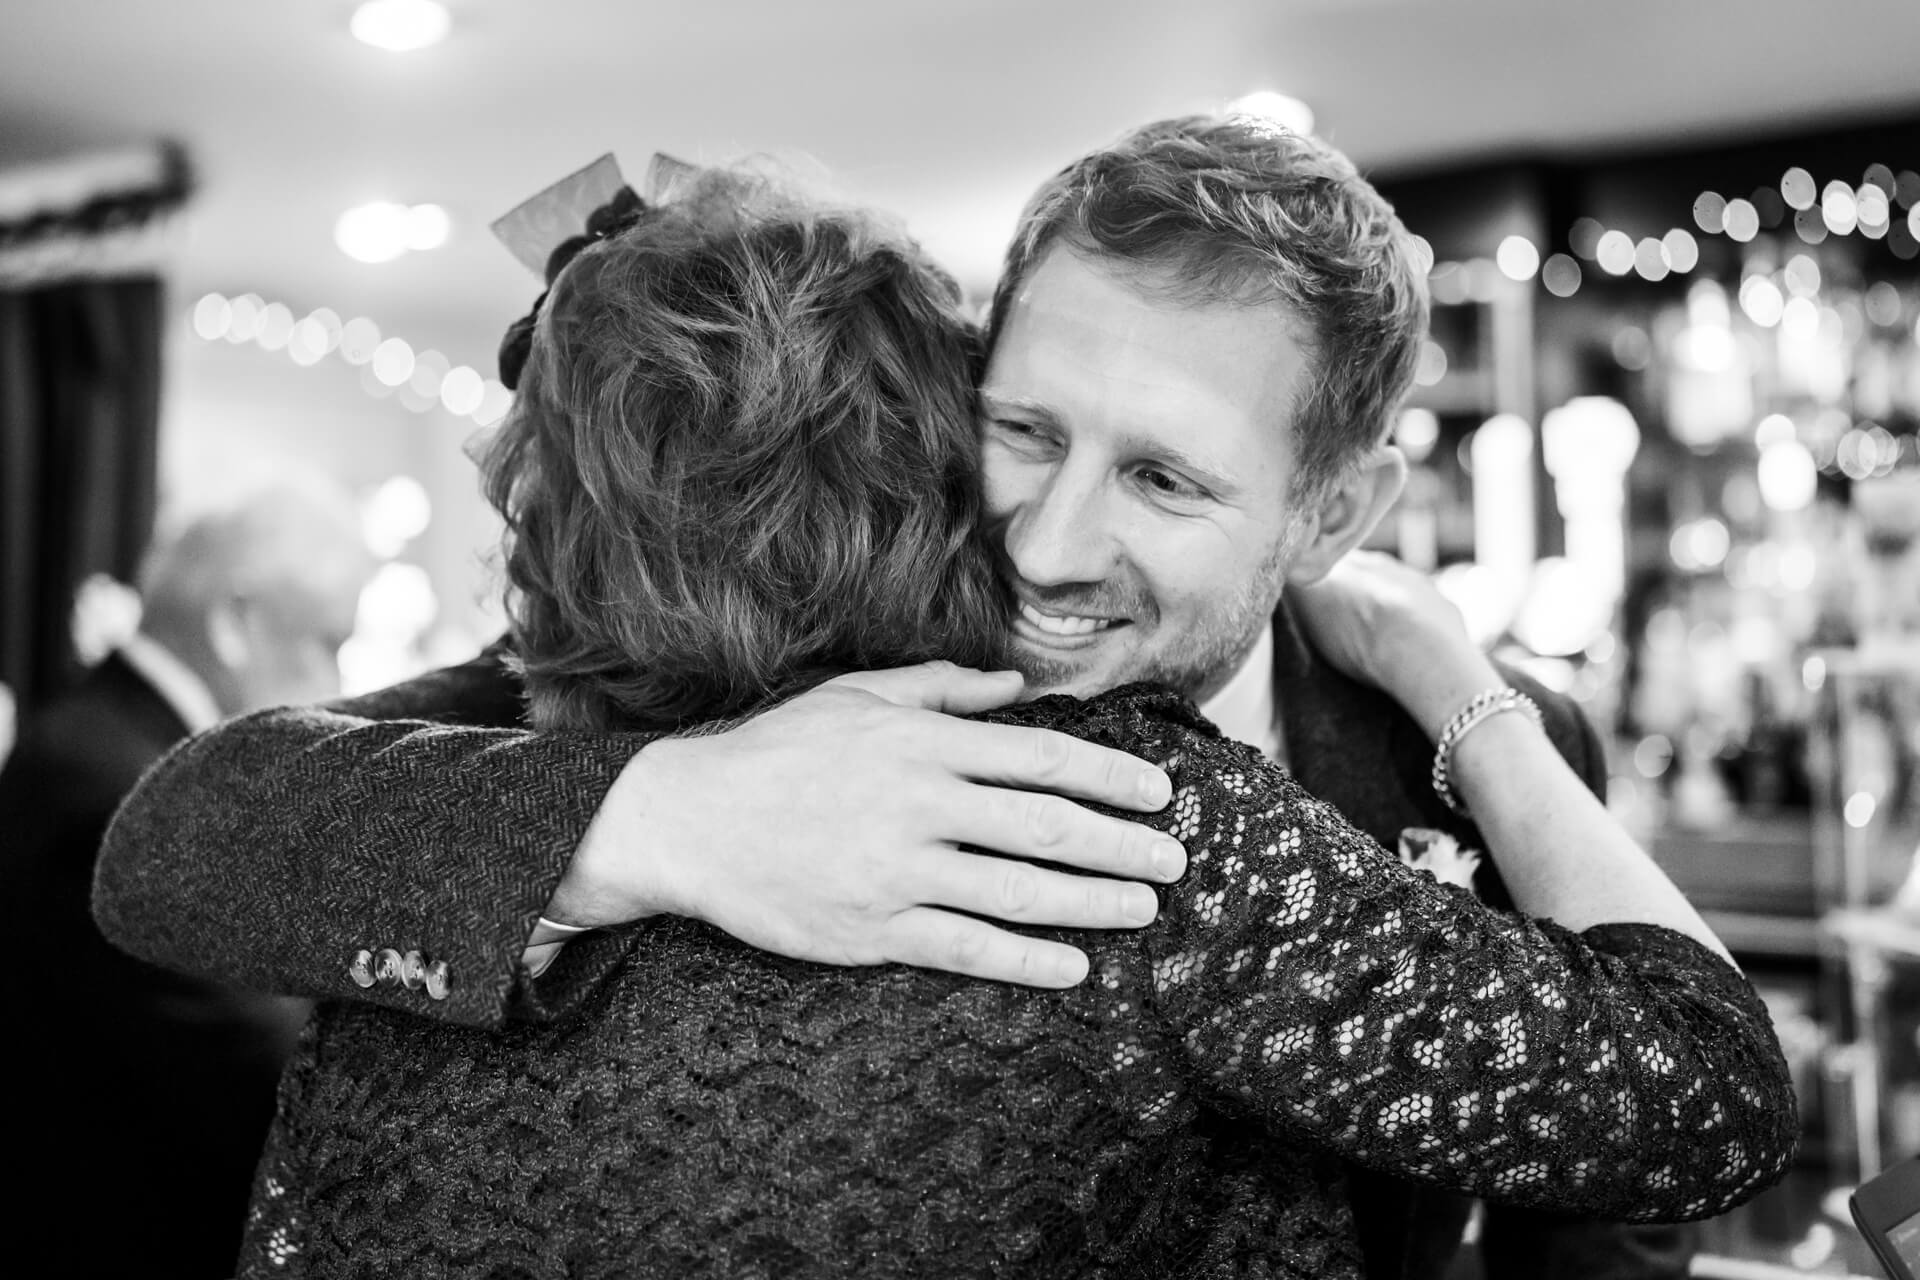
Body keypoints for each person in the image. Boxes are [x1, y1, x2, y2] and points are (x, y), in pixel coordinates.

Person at [97, 118, 1754, 1277]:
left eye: (1164, 480)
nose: (1044, 534)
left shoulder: (1474, 756)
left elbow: (1619, 1218)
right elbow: (192, 829)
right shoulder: (652, 685)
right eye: (1023, 432)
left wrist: (1461, 692)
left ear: (1331, 515)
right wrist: (657, 811)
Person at [0, 488, 371, 1278]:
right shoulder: (113, 788)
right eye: (327, 640)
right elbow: (269, 1074)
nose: (340, 683)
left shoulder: (113, 749)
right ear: (235, 623)